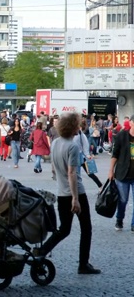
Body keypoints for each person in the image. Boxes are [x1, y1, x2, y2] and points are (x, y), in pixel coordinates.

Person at [35, 112, 101, 275]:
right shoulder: (72, 146)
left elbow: (57, 168)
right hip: (75, 192)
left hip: (61, 192)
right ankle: (83, 264)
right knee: (86, 228)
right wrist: (76, 199)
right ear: (73, 127)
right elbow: (72, 172)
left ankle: (42, 251)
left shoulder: (56, 143)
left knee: (64, 229)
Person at [108, 114, 134, 231]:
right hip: (123, 174)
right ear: (132, 124)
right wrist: (111, 171)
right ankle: (119, 219)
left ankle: (133, 225)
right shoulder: (122, 136)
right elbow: (115, 155)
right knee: (123, 200)